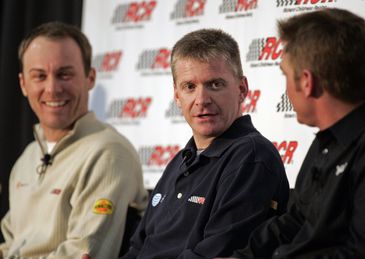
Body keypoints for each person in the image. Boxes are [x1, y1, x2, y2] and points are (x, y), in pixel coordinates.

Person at [230, 8, 365, 258]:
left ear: (307, 82)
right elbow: (296, 221)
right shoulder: (328, 140)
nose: (286, 89)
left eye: (286, 76)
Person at [120, 29, 289, 258]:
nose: (201, 100)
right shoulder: (179, 161)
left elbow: (215, 253)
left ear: (242, 89)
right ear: (177, 96)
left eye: (215, 84)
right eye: (190, 87)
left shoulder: (252, 156)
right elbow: (138, 249)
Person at [0, 21, 148, 259]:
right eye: (39, 76)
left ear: (90, 78)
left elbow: (85, 253)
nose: (52, 89)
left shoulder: (108, 153)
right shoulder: (27, 158)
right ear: (23, 84)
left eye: (64, 74)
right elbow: (11, 246)